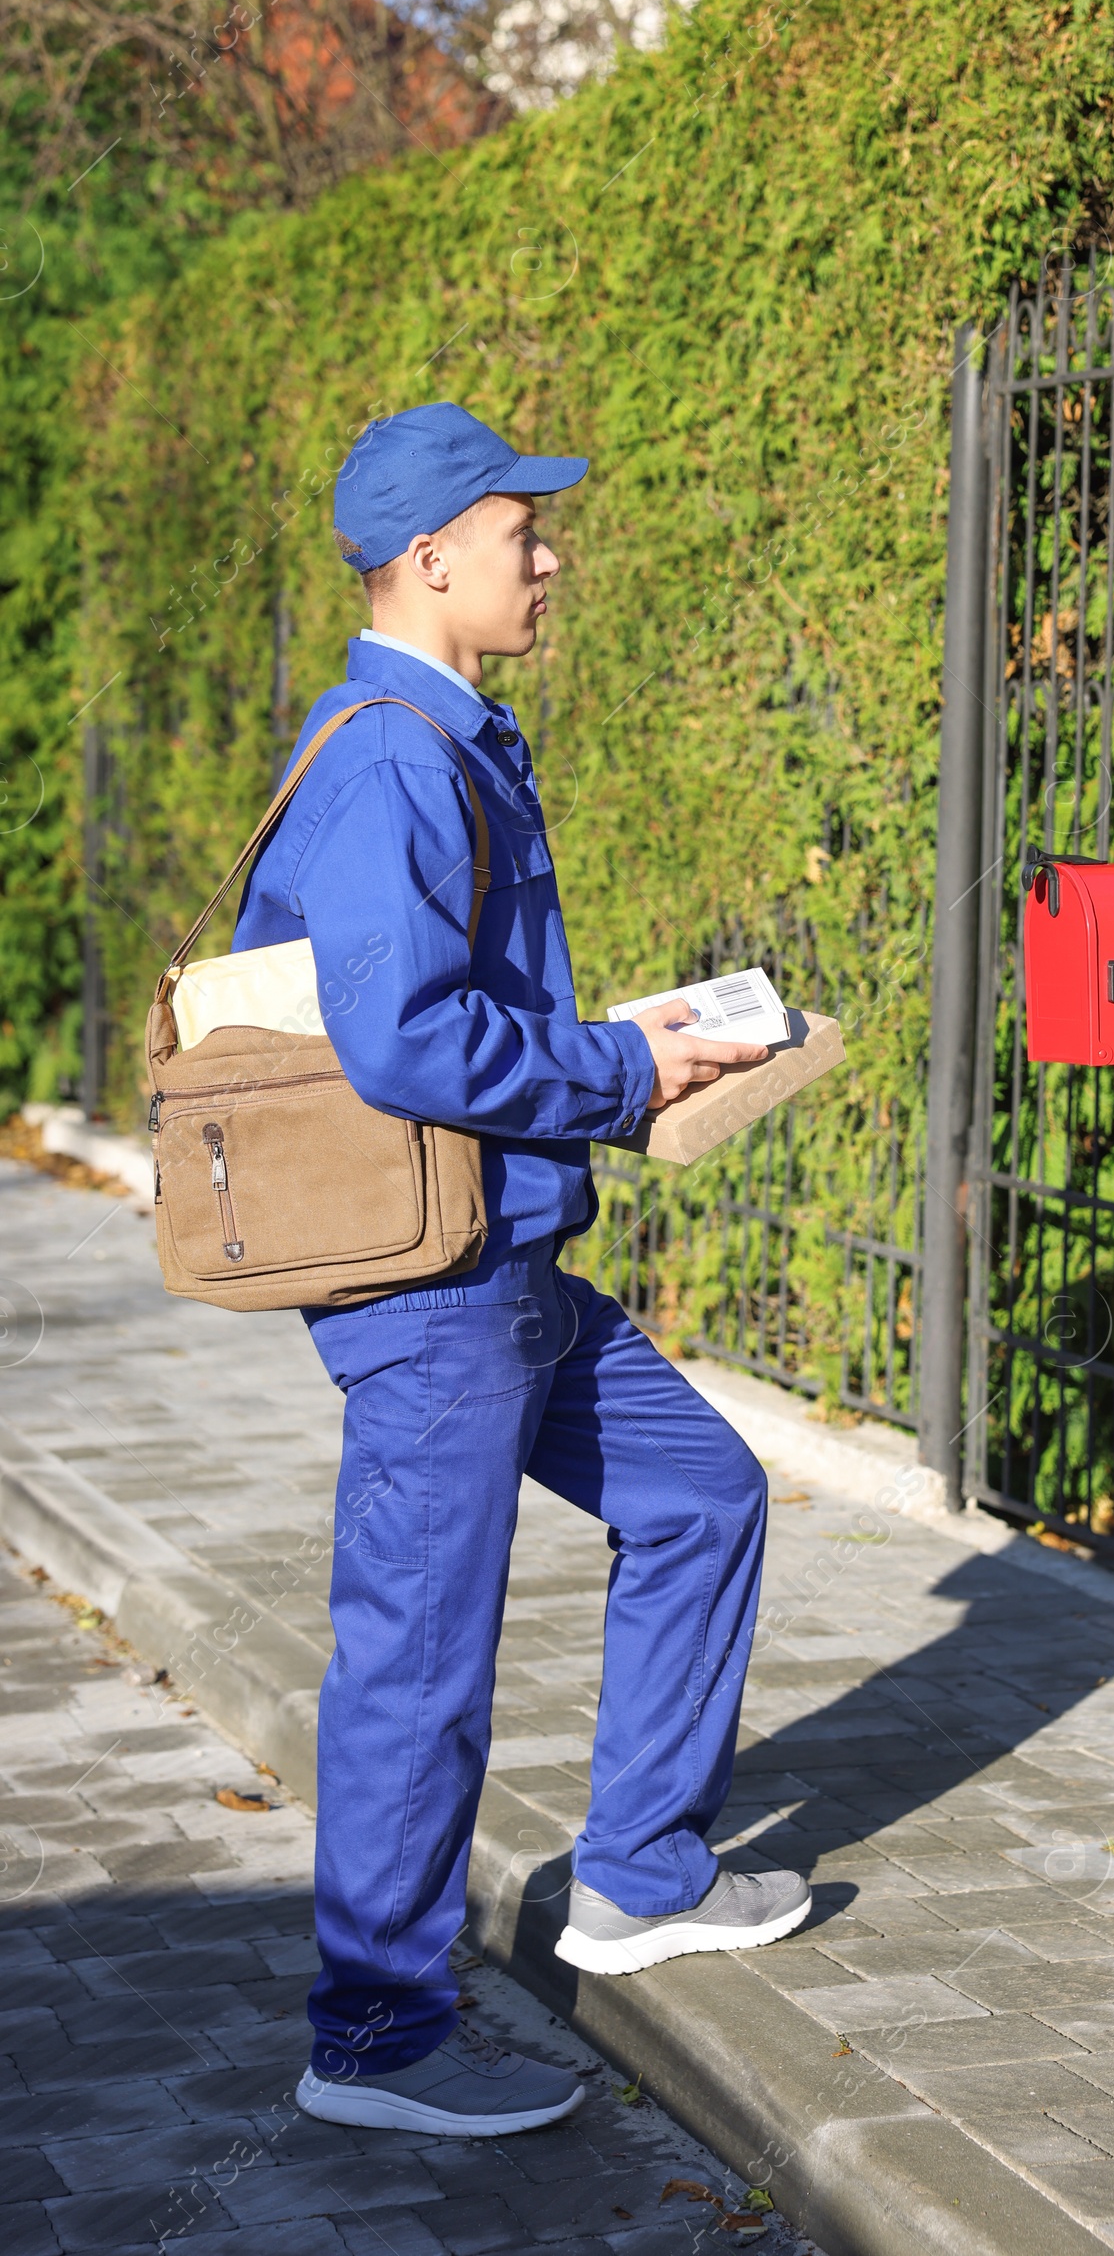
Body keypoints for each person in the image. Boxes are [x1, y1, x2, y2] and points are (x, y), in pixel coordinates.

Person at [232, 401, 809, 2139]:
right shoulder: (397, 754)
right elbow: (405, 1043)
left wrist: (612, 1037)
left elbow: (452, 1010)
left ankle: (636, 1875)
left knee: (704, 1496)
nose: (549, 559)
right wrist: (626, 1075)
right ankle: (380, 2043)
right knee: (419, 1659)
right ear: (429, 561)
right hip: (435, 1291)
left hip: (510, 1258)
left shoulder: (452, 734)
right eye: (519, 534)